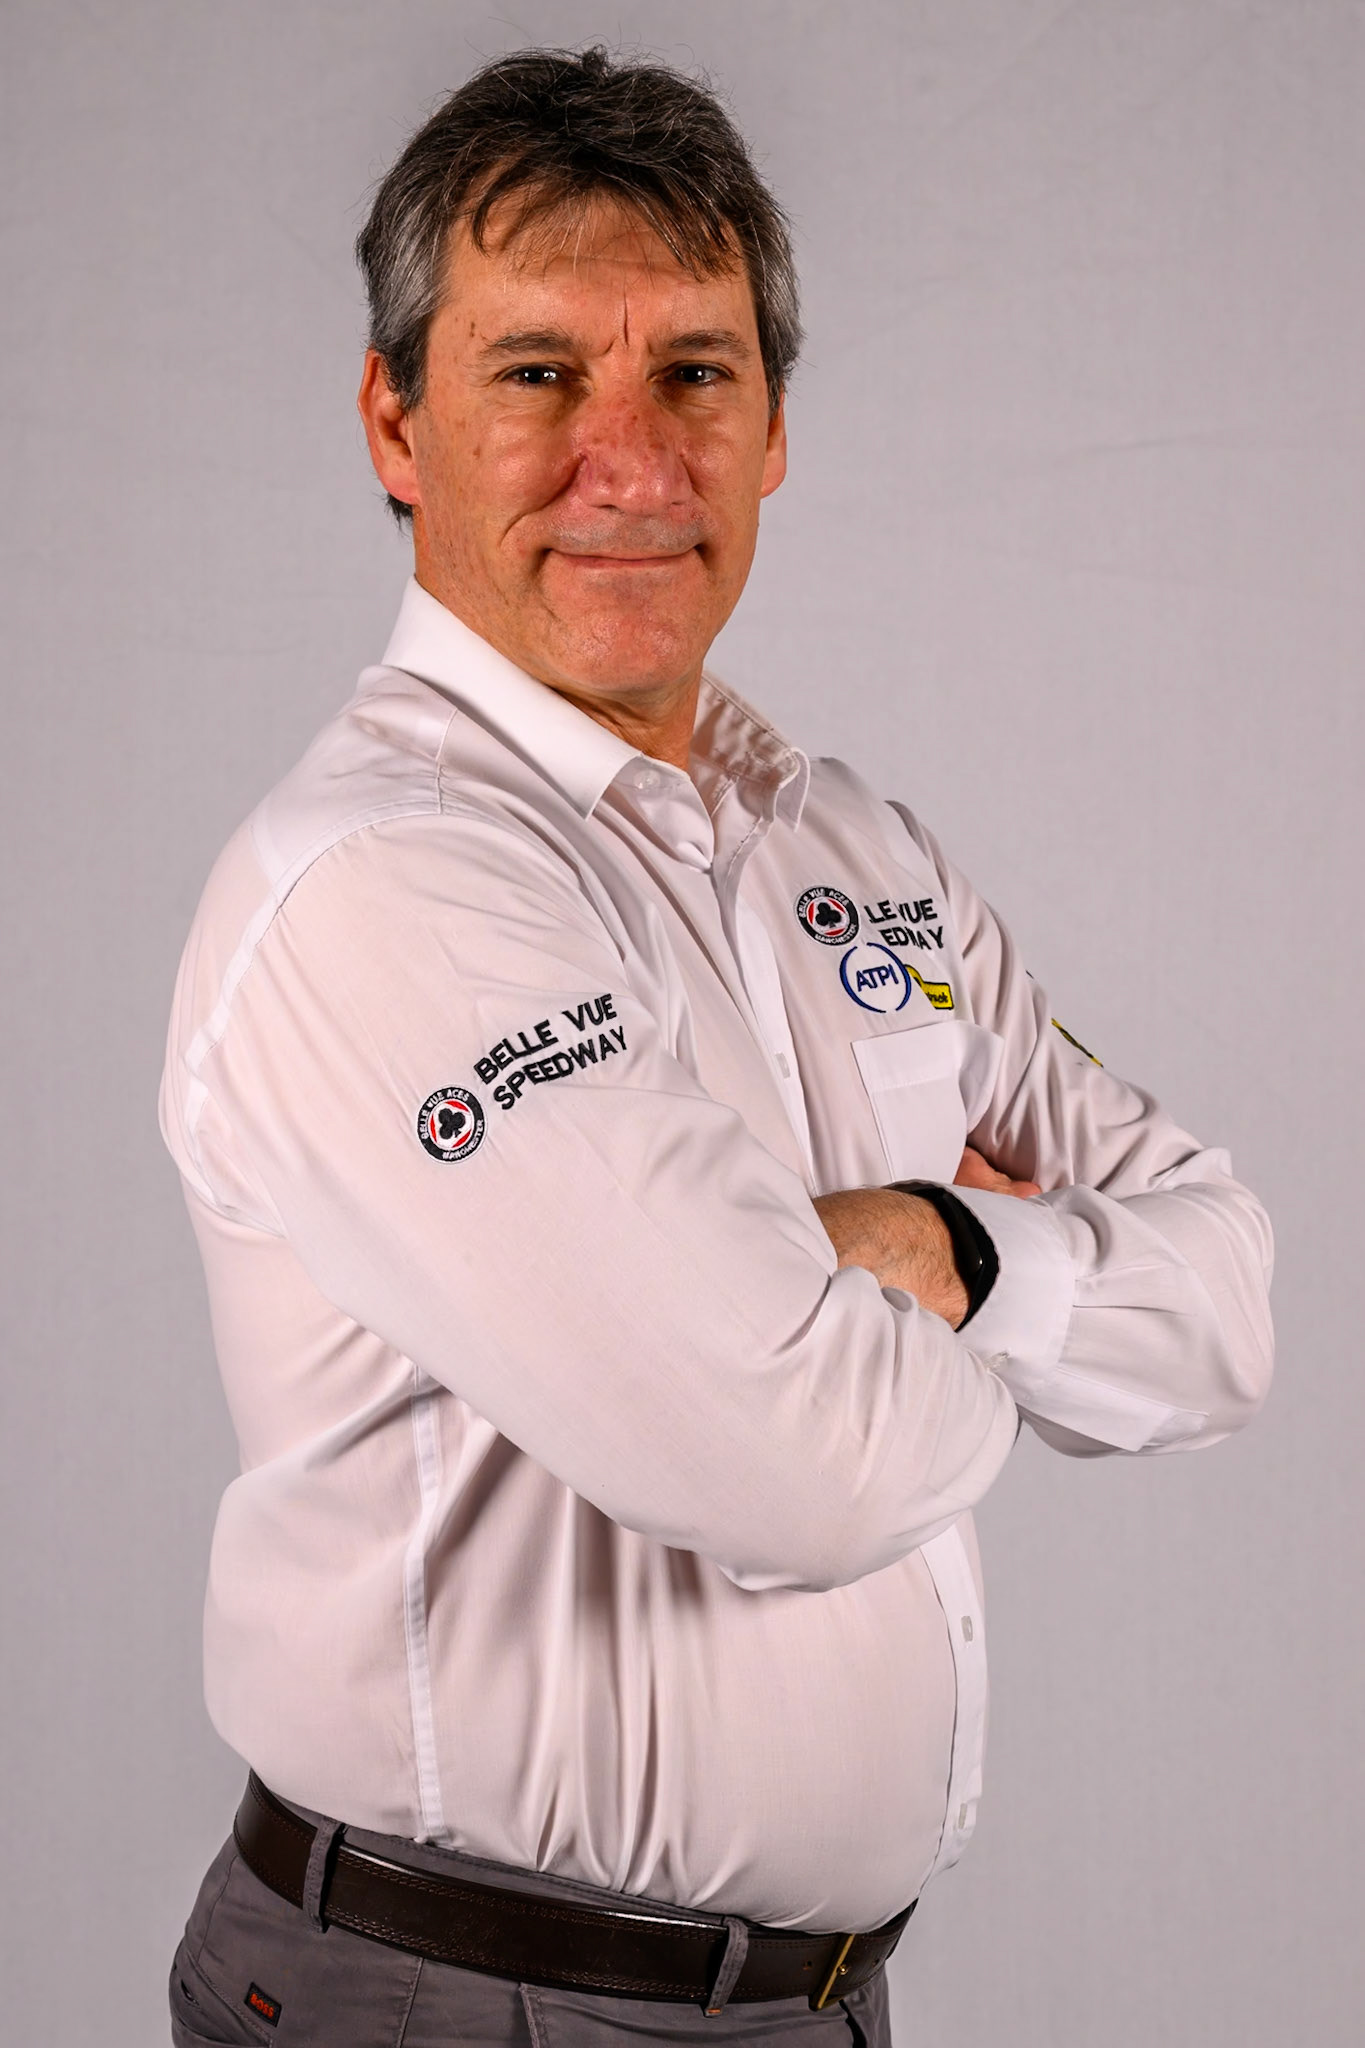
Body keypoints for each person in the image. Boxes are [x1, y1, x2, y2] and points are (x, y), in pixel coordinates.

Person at [160, 44, 1273, 2048]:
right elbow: (804, 1465)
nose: (630, 456)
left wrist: (930, 1248)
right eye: (533, 375)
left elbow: (1225, 1304)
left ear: (771, 431)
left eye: (692, 369)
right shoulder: (386, 886)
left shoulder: (848, 852)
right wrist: (996, 1315)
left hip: (805, 2010)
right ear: (392, 419)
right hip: (464, 2003)